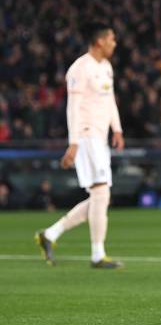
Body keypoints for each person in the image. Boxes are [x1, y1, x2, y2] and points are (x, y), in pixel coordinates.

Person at [35, 22, 125, 269]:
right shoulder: (79, 68)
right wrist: (73, 143)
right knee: (101, 193)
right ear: (99, 41)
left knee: (99, 197)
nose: (114, 44)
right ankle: (97, 255)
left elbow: (109, 102)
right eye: (111, 39)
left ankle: (50, 235)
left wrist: (117, 128)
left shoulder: (105, 67)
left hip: (100, 137)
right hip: (85, 136)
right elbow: (72, 108)